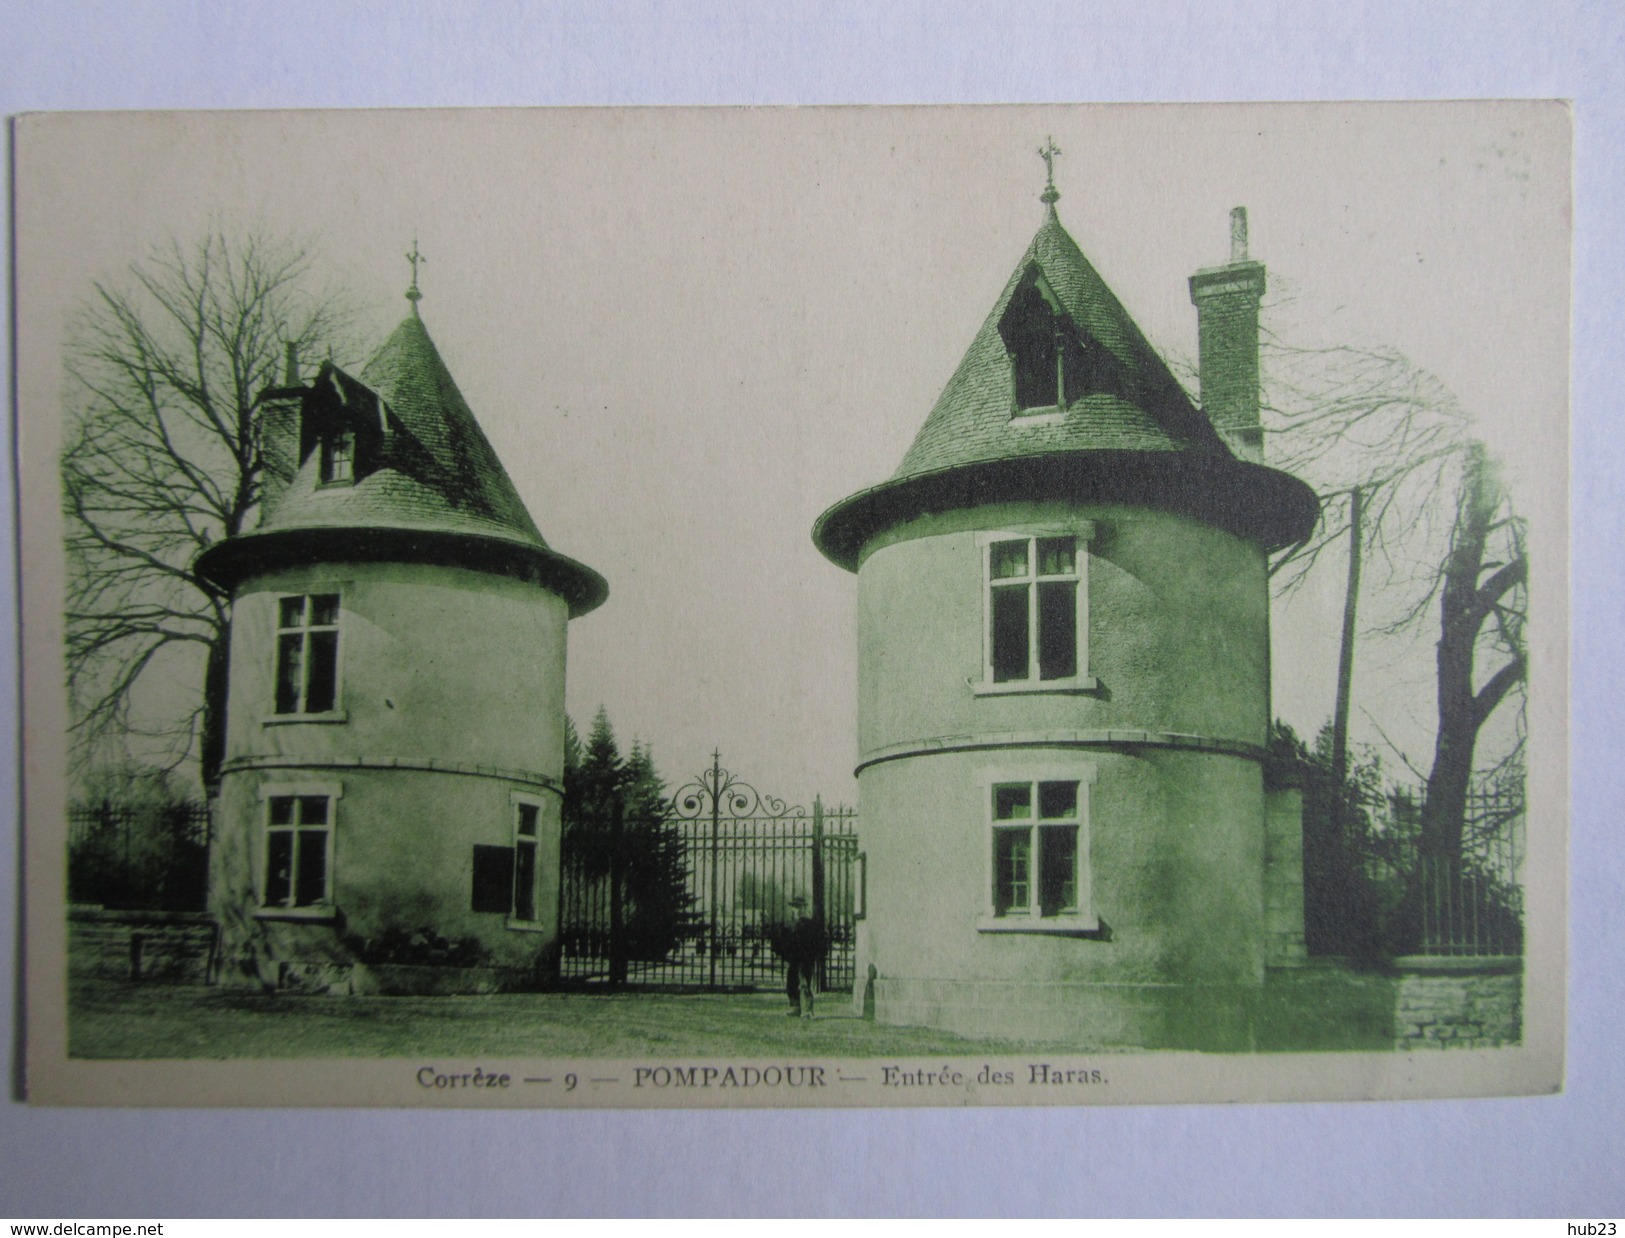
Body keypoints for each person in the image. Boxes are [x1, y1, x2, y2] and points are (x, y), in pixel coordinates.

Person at [772, 894, 826, 1018]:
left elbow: (812, 942)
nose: (796, 909)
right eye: (794, 907)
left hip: (804, 958)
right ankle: (796, 1007)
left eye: (798, 907)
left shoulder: (807, 924)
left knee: (805, 983)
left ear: (803, 908)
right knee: (792, 982)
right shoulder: (793, 924)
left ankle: (807, 1010)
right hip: (795, 958)